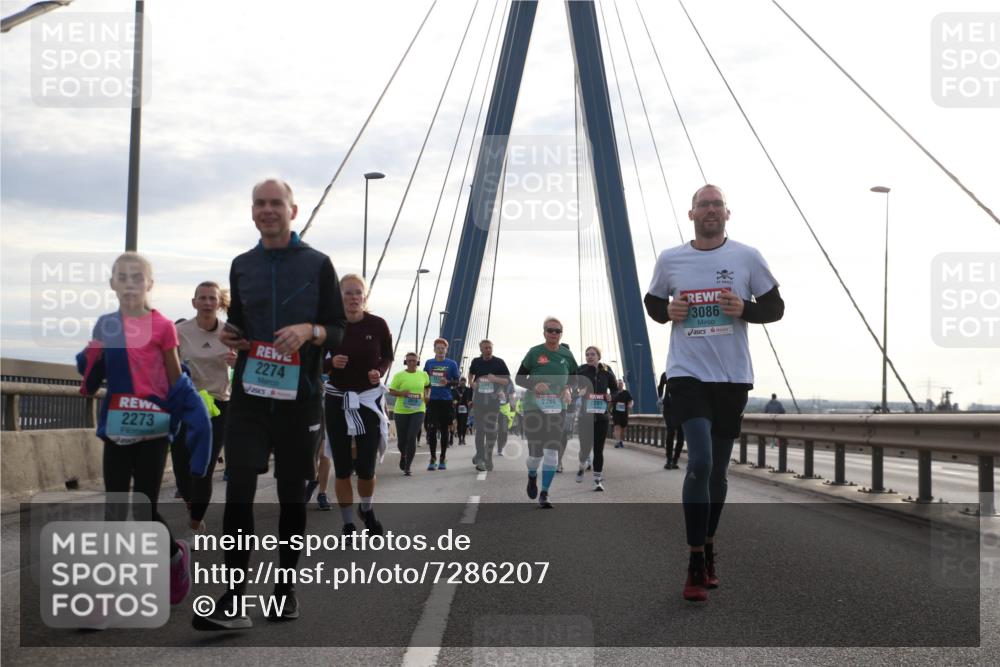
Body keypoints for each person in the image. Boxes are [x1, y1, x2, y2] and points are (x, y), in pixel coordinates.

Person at [194, 178, 347, 630]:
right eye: (259, 203)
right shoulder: (242, 265)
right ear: (252, 211)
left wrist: (309, 331)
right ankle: (233, 597)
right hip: (251, 396)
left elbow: (337, 330)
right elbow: (239, 322)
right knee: (238, 489)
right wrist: (233, 335)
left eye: (275, 203)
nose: (267, 210)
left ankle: (284, 590)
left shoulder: (318, 264)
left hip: (300, 399)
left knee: (290, 495)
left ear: (292, 211)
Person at [644, 184, 784, 602]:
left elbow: (775, 308)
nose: (711, 210)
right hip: (687, 375)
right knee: (700, 462)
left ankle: (708, 548)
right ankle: (693, 563)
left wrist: (746, 309)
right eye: (703, 204)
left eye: (717, 204)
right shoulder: (671, 259)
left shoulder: (747, 257)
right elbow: (652, 303)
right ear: (691, 214)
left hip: (731, 378)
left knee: (719, 472)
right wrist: (667, 311)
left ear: (727, 213)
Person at [77, 252, 207, 612]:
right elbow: (94, 377)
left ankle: (174, 556)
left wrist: (193, 421)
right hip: (117, 427)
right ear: (113, 284)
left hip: (154, 430)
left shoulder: (163, 326)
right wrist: (89, 362)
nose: (130, 284)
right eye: (123, 277)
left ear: (150, 284)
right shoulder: (106, 325)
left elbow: (175, 379)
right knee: (115, 509)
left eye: (137, 277)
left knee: (144, 510)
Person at [323, 274, 393, 535]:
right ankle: (348, 523)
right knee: (342, 467)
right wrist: (330, 364)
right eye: (348, 293)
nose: (353, 298)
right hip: (337, 399)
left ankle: (366, 508)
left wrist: (379, 371)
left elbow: (387, 356)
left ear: (365, 296)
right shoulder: (329, 327)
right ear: (338, 296)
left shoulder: (377, 324)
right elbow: (311, 361)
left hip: (367, 399)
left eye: (358, 293)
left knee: (366, 466)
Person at [173, 282, 236, 531]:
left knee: (205, 467)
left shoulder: (230, 333)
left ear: (219, 303)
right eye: (203, 298)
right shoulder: (179, 331)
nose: (208, 302)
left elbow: (245, 365)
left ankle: (195, 523)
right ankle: (192, 506)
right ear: (194, 302)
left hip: (217, 406)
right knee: (182, 467)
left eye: (212, 298)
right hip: (186, 404)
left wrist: (237, 362)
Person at [515, 317, 578, 508]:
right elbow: (519, 378)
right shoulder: (534, 353)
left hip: (558, 408)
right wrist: (534, 385)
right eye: (550, 330)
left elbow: (575, 379)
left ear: (561, 334)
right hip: (534, 407)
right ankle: (532, 475)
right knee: (535, 454)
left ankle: (544, 493)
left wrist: (568, 389)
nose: (553, 333)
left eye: (557, 331)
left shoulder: (567, 355)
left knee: (552, 450)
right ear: (544, 332)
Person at [575, 346, 617, 491]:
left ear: (599, 356)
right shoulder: (581, 370)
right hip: (585, 417)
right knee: (585, 448)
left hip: (601, 416)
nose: (589, 357)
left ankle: (597, 480)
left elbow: (615, 389)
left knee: (598, 450)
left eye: (592, 354)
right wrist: (578, 392)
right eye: (587, 354)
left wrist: (612, 396)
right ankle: (582, 466)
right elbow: (570, 388)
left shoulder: (606, 370)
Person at [468, 339, 511, 472]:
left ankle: (488, 457)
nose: (488, 350)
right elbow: (471, 374)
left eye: (489, 348)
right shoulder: (476, 361)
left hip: (493, 402)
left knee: (491, 431)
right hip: (479, 401)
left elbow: (507, 381)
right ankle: (481, 458)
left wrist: (495, 379)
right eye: (485, 348)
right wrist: (471, 383)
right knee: (480, 430)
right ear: (481, 350)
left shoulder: (499, 362)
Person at [388, 352, 430, 474]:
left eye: (414, 360)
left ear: (418, 362)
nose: (411, 362)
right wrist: (401, 393)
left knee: (412, 437)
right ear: (405, 362)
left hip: (418, 410)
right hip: (401, 411)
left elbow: (428, 386)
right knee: (401, 441)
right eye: (409, 360)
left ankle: (408, 466)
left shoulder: (423, 375)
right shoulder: (399, 376)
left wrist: (427, 396)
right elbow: (391, 391)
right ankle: (403, 454)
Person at [423, 339, 460, 470]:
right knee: (432, 430)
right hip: (432, 401)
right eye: (438, 348)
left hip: (446, 400)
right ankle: (433, 458)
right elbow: (424, 381)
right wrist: (425, 395)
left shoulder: (452, 364)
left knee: (444, 430)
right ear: (434, 349)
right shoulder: (429, 363)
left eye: (443, 348)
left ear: (446, 350)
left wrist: (448, 382)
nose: (440, 350)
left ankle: (443, 457)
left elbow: (457, 381)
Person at [658, 371, 685, 469]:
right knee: (671, 432)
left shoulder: (683, 373)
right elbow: (660, 387)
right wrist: (660, 398)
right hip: (668, 409)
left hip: (682, 409)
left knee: (681, 436)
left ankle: (675, 460)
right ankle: (669, 460)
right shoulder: (666, 374)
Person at [611, 380, 633, 448]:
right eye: (618, 384)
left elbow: (630, 401)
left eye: (621, 383)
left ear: (623, 385)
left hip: (624, 413)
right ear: (616, 385)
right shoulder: (614, 393)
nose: (620, 385)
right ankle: (617, 442)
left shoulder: (626, 393)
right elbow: (610, 402)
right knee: (617, 426)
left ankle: (621, 441)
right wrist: (607, 410)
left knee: (623, 428)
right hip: (616, 413)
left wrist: (630, 405)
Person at [455, 377, 472, 445]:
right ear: (460, 382)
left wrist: (470, 402)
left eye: (464, 381)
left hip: (465, 408)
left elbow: (471, 398)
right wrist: (455, 401)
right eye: (461, 381)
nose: (463, 382)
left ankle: (463, 438)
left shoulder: (468, 390)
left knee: (464, 424)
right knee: (459, 423)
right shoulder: (457, 389)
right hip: (458, 407)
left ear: (465, 382)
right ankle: (459, 439)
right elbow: (454, 397)